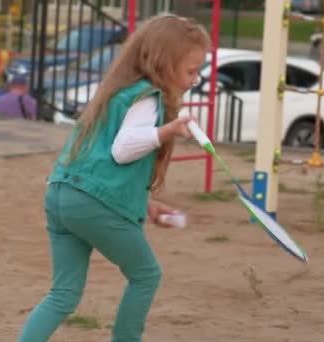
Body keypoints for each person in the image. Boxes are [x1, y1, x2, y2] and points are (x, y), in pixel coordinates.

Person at [18, 14, 210, 342]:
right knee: (146, 274)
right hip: (92, 204)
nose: (195, 79)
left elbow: (103, 163)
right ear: (163, 63)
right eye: (191, 71)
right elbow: (123, 150)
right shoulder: (147, 97)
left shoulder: (117, 93)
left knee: (63, 293)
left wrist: (145, 203)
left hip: (62, 194)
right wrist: (169, 129)